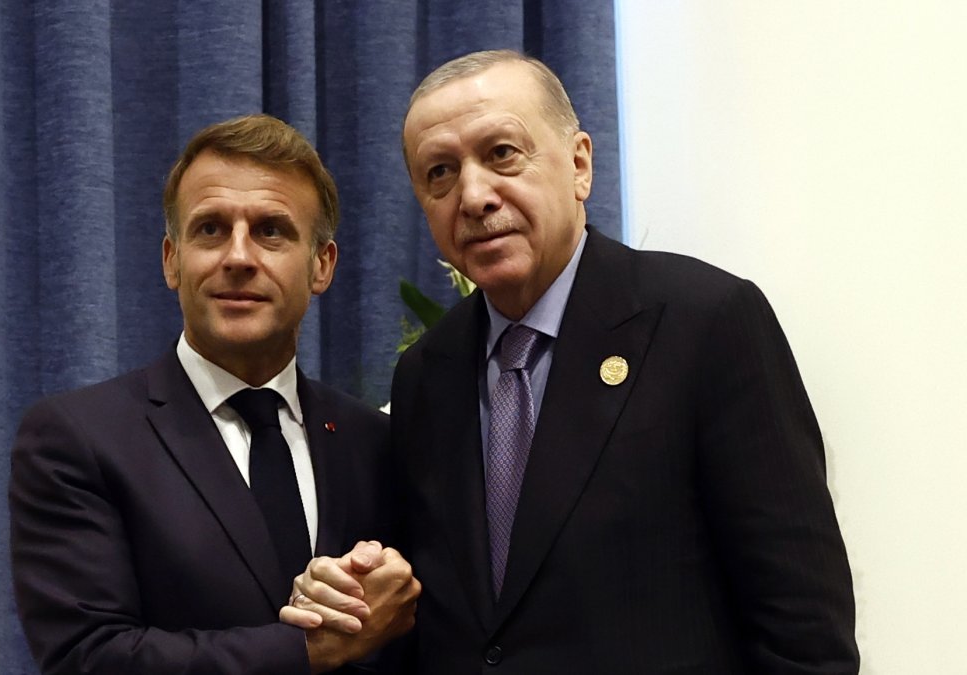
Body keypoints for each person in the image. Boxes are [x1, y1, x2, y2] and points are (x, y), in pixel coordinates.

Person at [285, 50, 859, 673]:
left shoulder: (706, 323)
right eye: (440, 173)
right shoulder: (426, 373)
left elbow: (803, 629)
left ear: (579, 164)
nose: (473, 196)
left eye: (502, 153)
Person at [9, 114, 419, 674]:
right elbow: (89, 657)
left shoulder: (375, 440)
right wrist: (310, 649)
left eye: (271, 230)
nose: (239, 257)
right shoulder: (78, 439)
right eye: (210, 229)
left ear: (321, 265)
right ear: (171, 261)